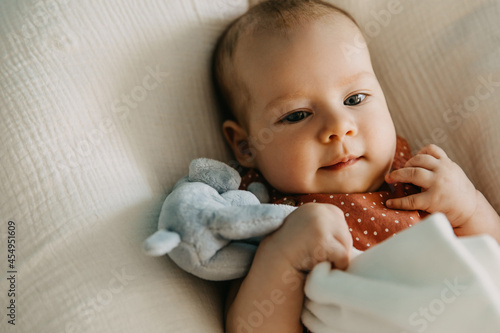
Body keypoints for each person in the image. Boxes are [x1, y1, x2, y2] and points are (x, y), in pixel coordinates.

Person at [210, 0, 500, 332]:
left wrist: (470, 207)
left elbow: (492, 260)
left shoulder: (420, 181)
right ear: (246, 145)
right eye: (297, 115)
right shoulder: (267, 217)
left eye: (355, 99)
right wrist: (283, 258)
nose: (339, 126)